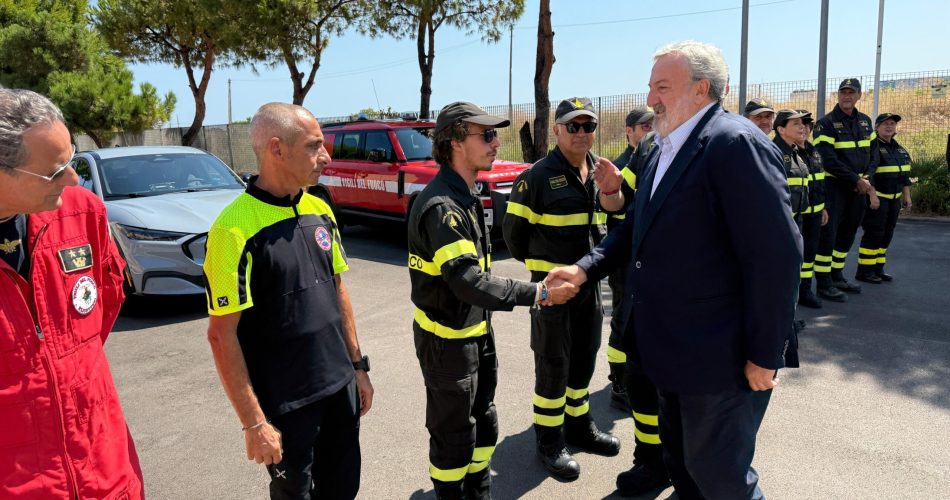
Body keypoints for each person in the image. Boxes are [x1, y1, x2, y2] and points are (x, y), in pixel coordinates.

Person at [549, 41, 802, 498]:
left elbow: (777, 256)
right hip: (670, 351)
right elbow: (634, 229)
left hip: (721, 358)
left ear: (702, 89)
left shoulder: (734, 144)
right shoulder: (661, 149)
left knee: (721, 478)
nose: (650, 100)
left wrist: (767, 353)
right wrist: (586, 268)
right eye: (651, 88)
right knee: (684, 468)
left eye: (662, 87)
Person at [407, 101, 577, 500]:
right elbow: (468, 282)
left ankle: (478, 492)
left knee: (485, 423)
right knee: (453, 438)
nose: (497, 142)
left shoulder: (465, 193)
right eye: (485, 135)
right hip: (447, 343)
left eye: (495, 134)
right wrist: (539, 293)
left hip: (476, 332)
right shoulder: (441, 206)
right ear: (453, 142)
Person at [204, 102, 374, 500]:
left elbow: (338, 291)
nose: (326, 157)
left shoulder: (319, 208)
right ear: (277, 149)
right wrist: (253, 423)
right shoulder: (232, 230)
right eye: (315, 146)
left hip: (339, 388)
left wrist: (358, 367)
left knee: (343, 490)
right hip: (287, 403)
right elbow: (221, 336)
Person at [0, 88, 144, 498]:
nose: (73, 178)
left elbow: (104, 303)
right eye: (54, 171)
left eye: (71, 159)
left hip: (103, 468)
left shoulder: (82, 213)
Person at [503, 97, 622, 480]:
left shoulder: (601, 170)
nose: (583, 133)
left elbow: (615, 217)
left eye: (589, 126)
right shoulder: (536, 177)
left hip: (589, 289)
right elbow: (514, 237)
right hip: (552, 292)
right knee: (553, 364)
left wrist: (612, 191)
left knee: (585, 358)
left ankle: (578, 426)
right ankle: (549, 441)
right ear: (556, 130)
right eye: (574, 126)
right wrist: (545, 274)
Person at [603, 108, 670, 496]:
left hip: (688, 298)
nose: (654, 106)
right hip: (639, 280)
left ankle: (686, 466)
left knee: (683, 396)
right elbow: (620, 209)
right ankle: (650, 461)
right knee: (642, 383)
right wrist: (611, 190)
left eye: (663, 90)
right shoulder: (648, 151)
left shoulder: (725, 145)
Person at [812, 78, 879, 300]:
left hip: (859, 188)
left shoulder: (866, 122)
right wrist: (855, 180)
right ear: (838, 95)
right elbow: (827, 159)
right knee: (828, 235)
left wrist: (867, 178)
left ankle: (837, 275)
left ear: (859, 95)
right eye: (843, 92)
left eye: (851, 92)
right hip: (835, 188)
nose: (847, 96)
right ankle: (823, 284)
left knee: (847, 233)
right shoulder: (826, 123)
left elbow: (874, 153)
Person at [605, 105, 654, 411]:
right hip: (624, 258)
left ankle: (636, 375)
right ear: (629, 131)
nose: (649, 130)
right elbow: (616, 215)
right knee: (622, 320)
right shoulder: (622, 166)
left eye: (652, 124)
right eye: (643, 126)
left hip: (644, 257)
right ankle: (618, 382)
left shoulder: (655, 158)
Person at [856, 113, 912, 283]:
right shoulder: (873, 148)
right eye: (885, 124)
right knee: (874, 234)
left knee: (887, 234)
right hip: (878, 199)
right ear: (877, 127)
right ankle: (864, 271)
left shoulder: (900, 149)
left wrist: (907, 196)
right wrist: (872, 195)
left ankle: (878, 269)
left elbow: (905, 176)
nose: (889, 126)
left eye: (892, 124)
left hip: (894, 200)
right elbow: (868, 174)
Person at [795, 109, 830, 308]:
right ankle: (794, 293)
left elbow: (820, 181)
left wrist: (823, 207)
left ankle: (805, 291)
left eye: (808, 125)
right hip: (797, 214)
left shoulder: (814, 151)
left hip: (815, 212)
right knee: (795, 256)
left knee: (810, 254)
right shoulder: (784, 151)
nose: (805, 128)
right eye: (800, 124)